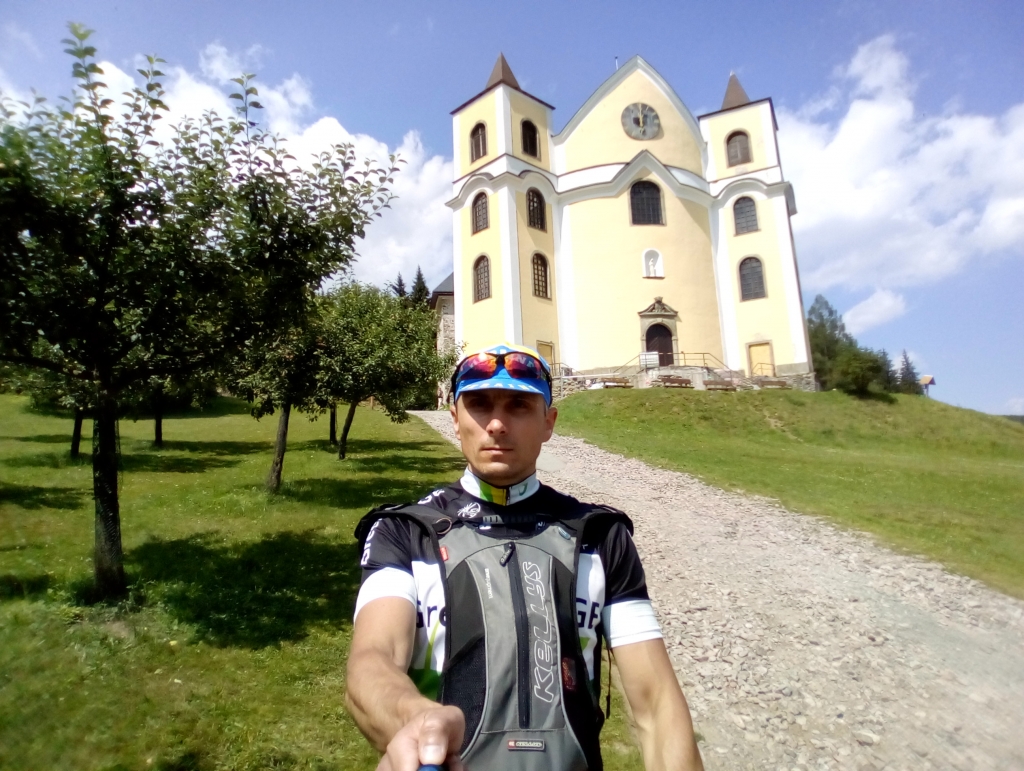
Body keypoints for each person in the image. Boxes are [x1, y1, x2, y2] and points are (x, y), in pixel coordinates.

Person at [346, 344, 704, 771]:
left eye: (519, 405)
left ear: (548, 423)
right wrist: (415, 718)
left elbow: (657, 703)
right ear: (455, 419)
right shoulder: (404, 531)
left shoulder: (600, 535)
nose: (497, 424)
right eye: (479, 405)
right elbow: (373, 659)